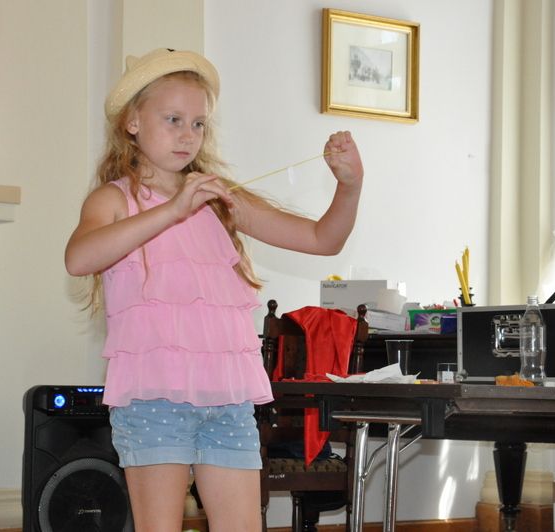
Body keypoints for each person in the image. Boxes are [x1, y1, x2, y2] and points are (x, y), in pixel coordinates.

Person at [64, 48, 364, 532]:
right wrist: (172, 210)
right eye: (174, 120)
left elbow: (321, 239)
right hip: (153, 400)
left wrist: (349, 187)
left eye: (198, 123)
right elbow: (79, 258)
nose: (188, 135)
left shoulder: (218, 198)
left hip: (228, 400)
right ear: (132, 122)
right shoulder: (115, 199)